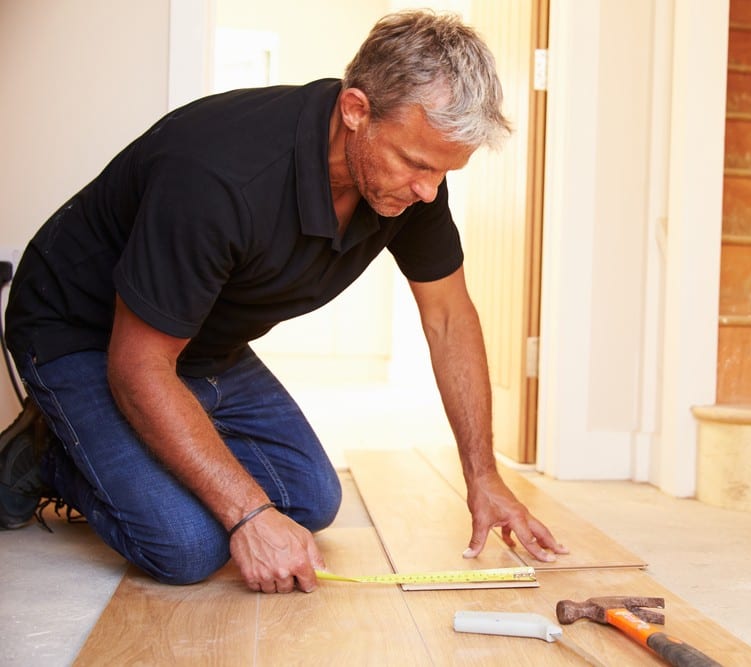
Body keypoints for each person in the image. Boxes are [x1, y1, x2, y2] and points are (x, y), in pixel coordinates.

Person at [0, 9, 567, 594]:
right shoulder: (218, 176)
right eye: (417, 165)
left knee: (310, 497)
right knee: (187, 546)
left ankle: (151, 425)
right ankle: (53, 448)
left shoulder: (413, 184)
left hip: (200, 339)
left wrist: (484, 476)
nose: (429, 191)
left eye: (443, 172)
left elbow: (449, 318)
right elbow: (137, 365)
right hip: (83, 332)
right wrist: (246, 514)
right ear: (355, 111)